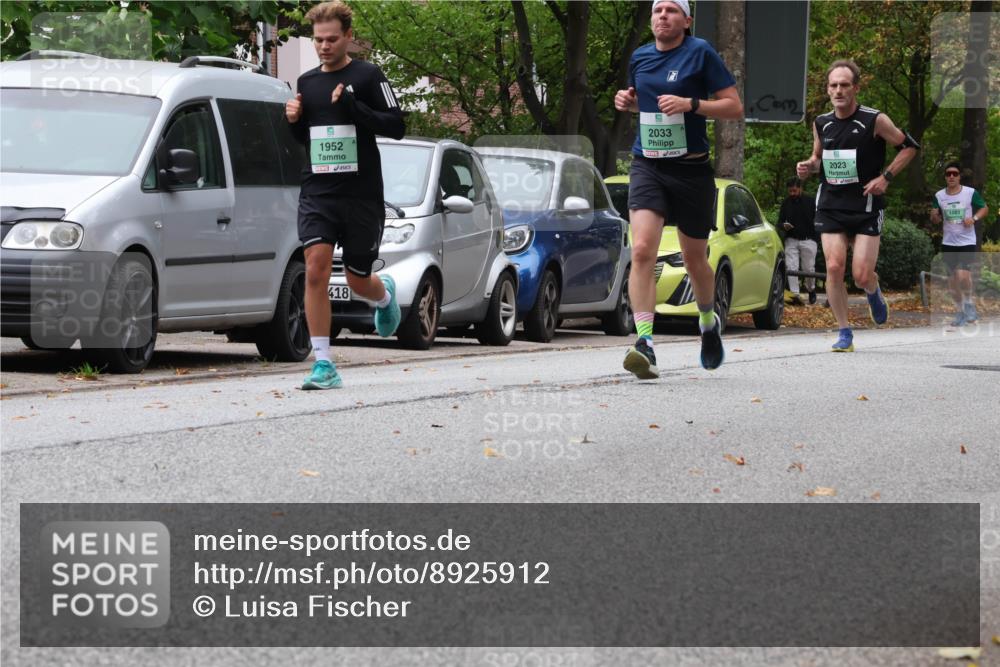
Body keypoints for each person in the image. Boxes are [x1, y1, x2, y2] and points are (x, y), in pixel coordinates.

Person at [614, 0, 744, 379]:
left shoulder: (700, 53)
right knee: (641, 250)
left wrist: (692, 104)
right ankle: (645, 343)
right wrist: (628, 102)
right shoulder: (639, 57)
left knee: (694, 260)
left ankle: (707, 321)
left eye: (671, 10)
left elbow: (734, 107)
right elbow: (645, 104)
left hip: (690, 171)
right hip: (648, 165)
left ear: (686, 20)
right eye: (657, 10)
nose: (662, 16)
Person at [286, 0, 405, 389]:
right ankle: (323, 364)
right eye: (318, 39)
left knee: (357, 281)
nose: (324, 46)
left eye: (332, 39)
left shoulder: (369, 76)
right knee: (316, 269)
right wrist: (292, 122)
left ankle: (383, 296)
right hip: (318, 192)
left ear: (348, 37)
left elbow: (397, 126)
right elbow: (307, 139)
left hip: (360, 195)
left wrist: (355, 108)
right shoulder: (306, 83)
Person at [796, 59, 918, 352]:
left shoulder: (875, 120)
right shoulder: (821, 122)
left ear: (856, 88)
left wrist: (885, 178)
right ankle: (844, 331)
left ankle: (873, 291)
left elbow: (910, 147)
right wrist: (808, 166)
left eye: (844, 85)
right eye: (833, 85)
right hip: (830, 203)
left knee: (862, 274)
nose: (838, 90)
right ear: (828, 89)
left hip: (866, 204)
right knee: (835, 266)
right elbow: (817, 158)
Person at [930, 162, 989, 326]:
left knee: (963, 276)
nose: (951, 176)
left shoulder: (970, 193)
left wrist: (974, 218)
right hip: (948, 242)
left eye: (955, 174)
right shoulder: (939, 196)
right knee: (952, 281)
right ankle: (960, 311)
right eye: (948, 174)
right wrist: (934, 216)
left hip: (967, 241)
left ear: (959, 176)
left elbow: (985, 208)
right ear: (945, 177)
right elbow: (935, 218)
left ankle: (969, 303)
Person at [779, 177, 819, 305]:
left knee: (808, 268)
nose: (792, 194)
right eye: (790, 191)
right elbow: (780, 221)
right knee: (791, 267)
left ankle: (811, 290)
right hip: (791, 240)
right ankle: (795, 295)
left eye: (794, 191)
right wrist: (783, 225)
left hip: (808, 239)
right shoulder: (785, 203)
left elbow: (818, 220)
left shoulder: (811, 202)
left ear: (800, 188)